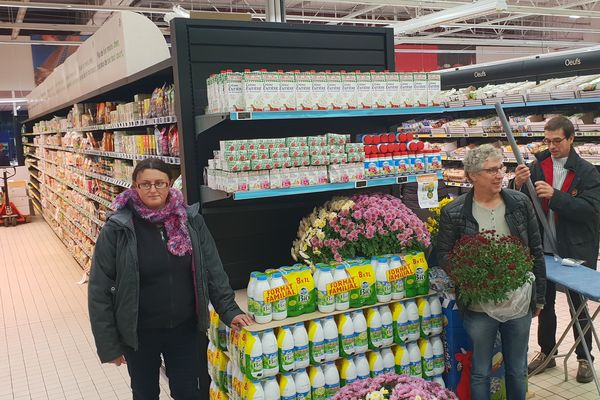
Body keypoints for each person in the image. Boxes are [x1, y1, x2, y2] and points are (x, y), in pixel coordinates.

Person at [88, 157, 252, 399]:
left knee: (189, 392)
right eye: (146, 184)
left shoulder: (190, 220)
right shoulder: (118, 229)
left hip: (185, 329)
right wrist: (109, 344)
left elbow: (212, 269)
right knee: (145, 393)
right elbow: (99, 289)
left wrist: (229, 309)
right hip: (139, 333)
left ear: (170, 185)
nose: (153, 189)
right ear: (135, 186)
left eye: (159, 183)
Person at [437, 144, 546, 400]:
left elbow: (536, 251)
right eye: (491, 170)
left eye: (501, 168)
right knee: (481, 370)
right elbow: (443, 254)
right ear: (473, 175)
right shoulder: (454, 212)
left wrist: (538, 296)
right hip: (478, 305)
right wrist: (471, 276)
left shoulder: (520, 203)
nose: (499, 175)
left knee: (518, 369)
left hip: (518, 303)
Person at [514, 116, 600, 383]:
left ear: (571, 138)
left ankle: (585, 358)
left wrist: (556, 196)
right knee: (544, 302)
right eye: (547, 140)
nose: (551, 146)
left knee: (578, 304)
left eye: (556, 141)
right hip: (544, 247)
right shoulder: (538, 166)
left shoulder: (587, 171)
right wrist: (516, 184)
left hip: (576, 247)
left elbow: (592, 211)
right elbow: (520, 199)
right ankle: (547, 352)